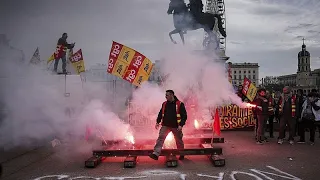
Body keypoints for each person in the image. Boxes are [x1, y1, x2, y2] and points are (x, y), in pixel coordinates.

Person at [149, 90, 187, 160]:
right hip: (165, 125)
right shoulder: (164, 104)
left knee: (179, 140)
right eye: (165, 95)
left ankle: (181, 153)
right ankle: (156, 154)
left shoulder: (180, 104)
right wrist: (157, 122)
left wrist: (181, 125)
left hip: (176, 126)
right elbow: (160, 113)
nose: (165, 96)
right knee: (160, 138)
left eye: (167, 95)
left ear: (172, 95)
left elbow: (184, 116)